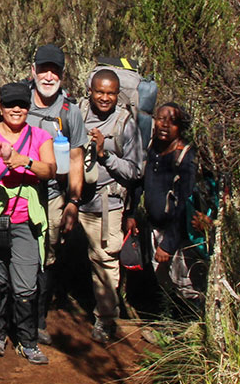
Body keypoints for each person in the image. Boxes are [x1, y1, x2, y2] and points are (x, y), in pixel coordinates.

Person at [0, 81, 56, 364]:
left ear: (28, 108)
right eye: (10, 104)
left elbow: (50, 171)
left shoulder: (40, 136)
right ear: (0, 108)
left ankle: (27, 340)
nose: (17, 109)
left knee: (25, 284)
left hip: (25, 222)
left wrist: (25, 161)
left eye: (22, 104)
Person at [25, 43, 86, 344]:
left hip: (52, 195)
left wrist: (73, 201)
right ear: (32, 70)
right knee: (15, 251)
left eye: (55, 71)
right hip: (17, 192)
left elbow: (76, 159)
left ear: (63, 74)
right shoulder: (18, 100)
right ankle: (12, 318)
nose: (49, 76)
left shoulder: (69, 111)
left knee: (47, 256)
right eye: (44, 69)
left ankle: (37, 321)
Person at [78, 69, 142, 343]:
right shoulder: (76, 112)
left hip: (106, 204)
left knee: (104, 260)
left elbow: (136, 171)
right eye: (100, 92)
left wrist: (105, 156)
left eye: (111, 93)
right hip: (72, 198)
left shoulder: (125, 124)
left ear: (118, 95)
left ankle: (105, 319)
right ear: (90, 91)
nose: (105, 98)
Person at [124, 102, 201, 307]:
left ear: (181, 127)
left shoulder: (185, 158)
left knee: (185, 287)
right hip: (154, 229)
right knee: (165, 283)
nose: (164, 125)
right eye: (160, 119)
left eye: (172, 121)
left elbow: (185, 205)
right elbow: (139, 183)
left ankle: (188, 330)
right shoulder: (152, 149)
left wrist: (168, 244)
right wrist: (131, 214)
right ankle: (168, 327)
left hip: (177, 237)